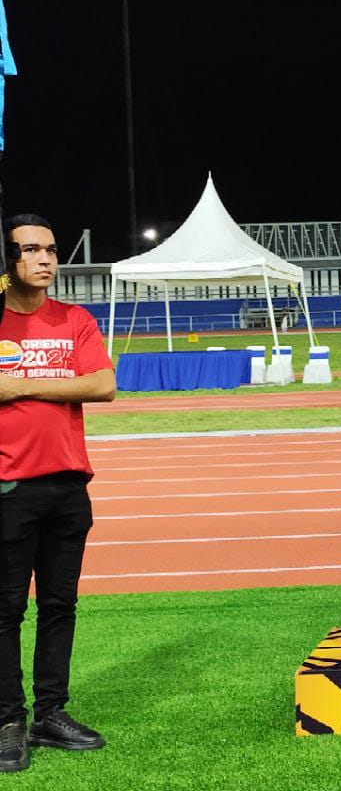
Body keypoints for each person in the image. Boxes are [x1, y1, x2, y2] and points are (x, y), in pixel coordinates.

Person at [0, 214, 114, 771]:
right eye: (29, 250)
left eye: (49, 249)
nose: (45, 259)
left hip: (68, 484)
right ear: (7, 259)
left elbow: (102, 384)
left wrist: (19, 385)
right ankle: (7, 720)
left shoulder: (74, 319)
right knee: (4, 612)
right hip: (8, 488)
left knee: (59, 606)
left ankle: (50, 712)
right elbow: (81, 383)